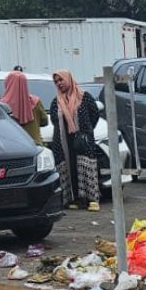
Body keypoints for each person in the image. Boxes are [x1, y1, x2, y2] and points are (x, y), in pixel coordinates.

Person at [48, 69, 102, 211]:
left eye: (61, 80)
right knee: (70, 168)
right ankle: (74, 199)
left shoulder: (84, 97)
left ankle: (92, 199)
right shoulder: (56, 102)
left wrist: (85, 131)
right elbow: (54, 121)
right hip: (64, 142)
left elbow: (94, 115)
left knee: (86, 166)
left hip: (83, 140)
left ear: (69, 79)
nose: (59, 83)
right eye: (56, 81)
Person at [0, 71, 47, 145]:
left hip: (13, 145)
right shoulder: (36, 101)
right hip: (35, 144)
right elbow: (44, 121)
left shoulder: (2, 105)